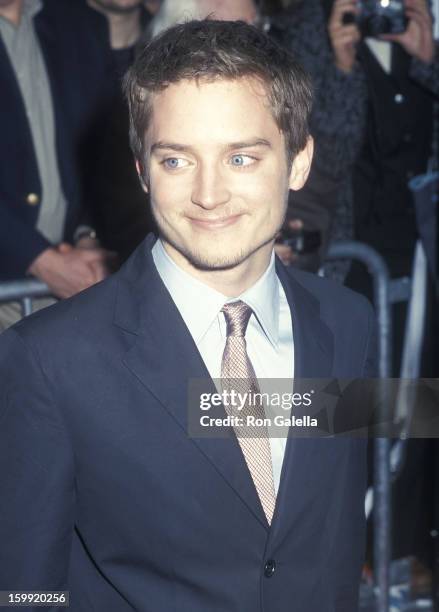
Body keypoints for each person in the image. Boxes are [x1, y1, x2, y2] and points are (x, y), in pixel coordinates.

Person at [0, 19, 377, 611]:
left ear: (298, 161)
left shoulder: (349, 321)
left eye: (242, 158)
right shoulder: (49, 361)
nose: (208, 193)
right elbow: (24, 589)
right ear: (142, 169)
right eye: (176, 160)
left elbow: (329, 533)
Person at [0, 0, 116, 330]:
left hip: (80, 279)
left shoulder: (80, 24)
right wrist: (38, 259)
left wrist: (90, 234)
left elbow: (108, 148)